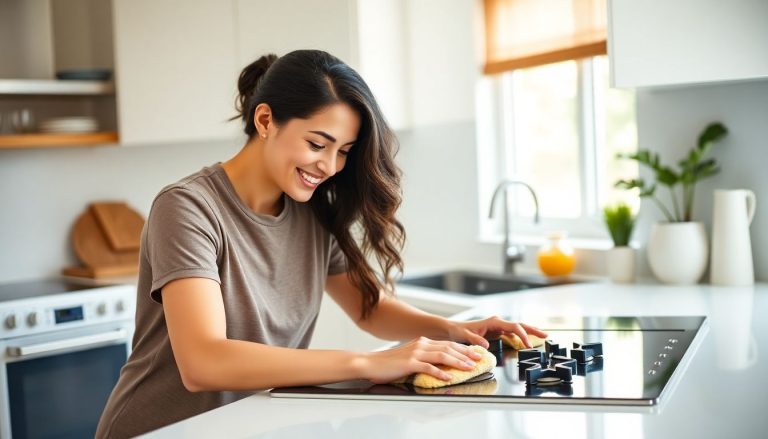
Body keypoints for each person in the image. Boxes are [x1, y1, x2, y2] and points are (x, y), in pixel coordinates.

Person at [95, 49, 547, 438]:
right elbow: (204, 362)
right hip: (162, 429)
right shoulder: (188, 208)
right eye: (318, 143)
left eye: (345, 151)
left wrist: (452, 331)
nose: (330, 165)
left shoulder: (310, 210)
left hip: (244, 426)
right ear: (266, 119)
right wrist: (368, 364)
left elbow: (370, 308)